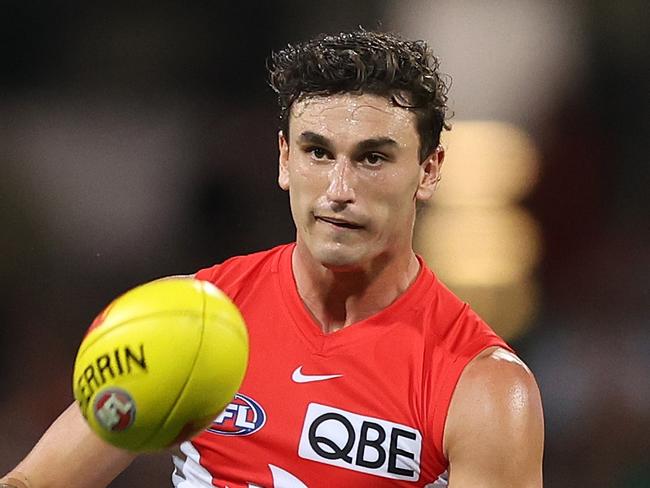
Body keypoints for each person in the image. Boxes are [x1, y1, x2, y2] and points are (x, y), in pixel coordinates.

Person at [1, 30, 544, 487]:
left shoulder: (484, 389)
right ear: (285, 159)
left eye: (372, 158)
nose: (338, 189)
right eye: (317, 152)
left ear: (429, 170)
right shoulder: (190, 321)